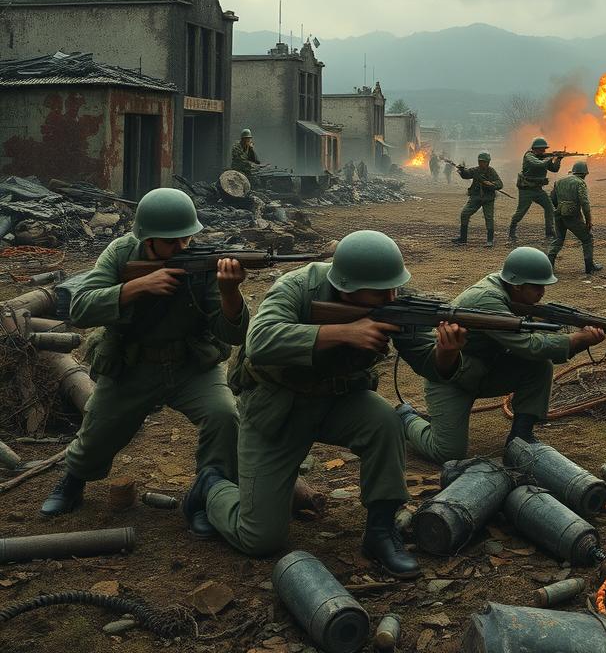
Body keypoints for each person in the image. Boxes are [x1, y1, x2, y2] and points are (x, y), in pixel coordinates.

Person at [201, 231, 464, 578]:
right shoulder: (299, 287)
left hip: (339, 403)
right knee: (260, 538)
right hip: (277, 409)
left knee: (384, 420)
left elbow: (430, 365)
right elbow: (260, 339)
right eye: (381, 291)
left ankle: (380, 532)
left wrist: (446, 352)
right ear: (346, 287)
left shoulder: (394, 300)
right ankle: (210, 485)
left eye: (394, 287)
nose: (391, 296)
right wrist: (343, 332)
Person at [41, 189, 246, 536]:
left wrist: (230, 292)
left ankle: (209, 493)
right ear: (147, 239)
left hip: (192, 365)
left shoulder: (207, 261)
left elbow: (232, 333)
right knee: (98, 431)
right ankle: (72, 482)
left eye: (187, 238)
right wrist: (134, 288)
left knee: (224, 415)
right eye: (171, 242)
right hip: (131, 364)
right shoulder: (121, 253)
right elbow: (79, 308)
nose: (182, 247)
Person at [398, 247, 605, 464]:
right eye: (536, 287)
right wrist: (577, 339)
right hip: (451, 378)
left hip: (485, 371)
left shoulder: (512, 292)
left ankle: (521, 436)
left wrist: (576, 337)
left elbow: (535, 339)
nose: (542, 293)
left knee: (539, 367)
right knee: (446, 452)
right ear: (517, 284)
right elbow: (529, 345)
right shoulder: (487, 298)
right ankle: (406, 418)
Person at [548, 161, 602, 275]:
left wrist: (560, 208)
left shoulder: (559, 181)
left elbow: (552, 198)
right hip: (572, 216)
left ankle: (549, 264)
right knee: (587, 238)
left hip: (558, 215)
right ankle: (589, 266)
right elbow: (585, 203)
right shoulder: (580, 183)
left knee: (559, 239)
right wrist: (589, 220)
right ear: (584, 173)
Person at [508, 136, 563, 243]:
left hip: (538, 189)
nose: (543, 151)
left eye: (544, 149)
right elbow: (538, 164)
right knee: (520, 212)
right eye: (541, 149)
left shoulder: (542, 157)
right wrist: (550, 157)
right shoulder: (529, 156)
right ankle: (511, 232)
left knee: (550, 208)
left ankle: (550, 233)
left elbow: (554, 169)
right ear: (534, 149)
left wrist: (558, 159)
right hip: (526, 190)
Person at [452, 152, 503, 247]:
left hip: (488, 198)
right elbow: (466, 175)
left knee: (489, 218)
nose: (481, 164)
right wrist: (462, 170)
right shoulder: (475, 170)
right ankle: (463, 239)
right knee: (464, 214)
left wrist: (491, 184)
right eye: (480, 162)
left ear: (488, 162)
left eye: (483, 162)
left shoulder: (491, 171)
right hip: (476, 197)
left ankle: (490, 241)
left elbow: (500, 184)